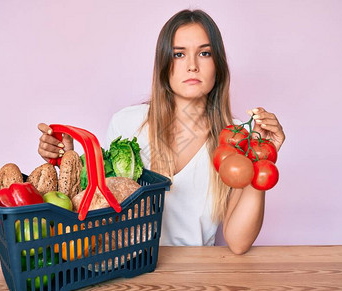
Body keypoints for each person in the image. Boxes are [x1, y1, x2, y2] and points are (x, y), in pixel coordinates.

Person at [37, 9, 285, 254]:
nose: (192, 66)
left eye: (205, 53)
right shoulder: (126, 124)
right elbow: (99, 206)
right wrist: (68, 162)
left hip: (197, 277)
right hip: (128, 269)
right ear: (164, 64)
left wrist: (261, 159)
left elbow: (238, 242)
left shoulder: (235, 138)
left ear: (218, 65)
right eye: (179, 54)